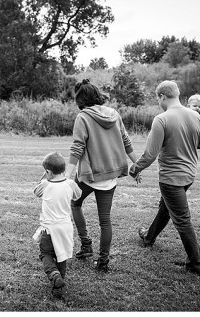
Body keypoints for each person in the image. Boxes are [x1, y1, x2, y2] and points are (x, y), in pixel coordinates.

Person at [129, 80, 200, 275]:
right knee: (165, 207)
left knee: (181, 219)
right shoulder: (197, 117)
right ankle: (148, 237)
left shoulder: (161, 119)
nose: (159, 102)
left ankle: (196, 264)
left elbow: (150, 154)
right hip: (189, 175)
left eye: (158, 99)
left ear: (162, 96)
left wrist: (135, 168)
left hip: (171, 178)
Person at [65, 79, 139, 272]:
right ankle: (103, 261)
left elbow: (77, 147)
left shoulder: (83, 117)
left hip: (89, 175)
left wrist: (67, 175)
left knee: (75, 203)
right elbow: (125, 140)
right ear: (97, 96)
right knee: (105, 220)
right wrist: (136, 164)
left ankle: (86, 245)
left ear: (80, 99)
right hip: (110, 176)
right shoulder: (114, 114)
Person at [33, 152, 82, 299]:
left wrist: (44, 177)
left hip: (50, 229)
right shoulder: (70, 184)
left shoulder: (45, 184)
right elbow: (77, 195)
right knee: (62, 256)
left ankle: (54, 276)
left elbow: (36, 192)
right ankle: (59, 284)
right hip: (66, 228)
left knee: (46, 254)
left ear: (48, 172)